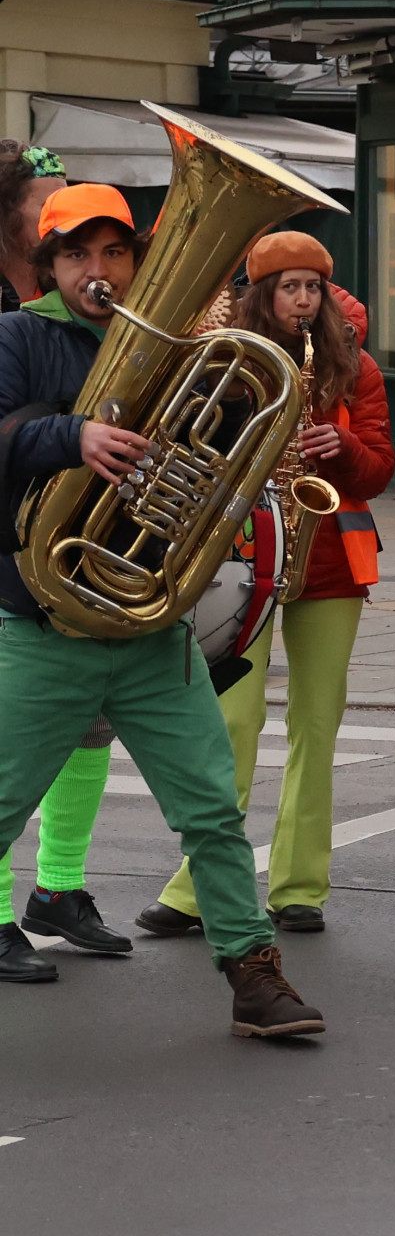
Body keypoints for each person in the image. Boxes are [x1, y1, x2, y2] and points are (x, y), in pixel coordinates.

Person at [0, 185, 322, 1033]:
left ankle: (254, 974)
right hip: (46, 620)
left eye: (113, 254)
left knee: (212, 811)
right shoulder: (19, 337)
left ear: (137, 263)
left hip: (149, 629)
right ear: (50, 265)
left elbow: (220, 477)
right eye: (76, 255)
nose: (95, 271)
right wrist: (71, 436)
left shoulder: (185, 353)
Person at [138, 232, 392, 945]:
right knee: (232, 723)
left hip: (332, 562)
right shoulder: (228, 365)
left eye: (313, 287)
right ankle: (198, 888)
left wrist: (342, 448)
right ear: (262, 295)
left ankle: (300, 887)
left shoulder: (356, 368)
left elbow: (378, 471)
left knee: (317, 723)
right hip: (240, 560)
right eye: (289, 287)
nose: (303, 300)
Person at [0, 142, 114, 977]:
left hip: (77, 550)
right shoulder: (17, 316)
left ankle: (59, 888)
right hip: (9, 540)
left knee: (86, 727)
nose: (61, 209)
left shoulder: (84, 306)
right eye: (50, 201)